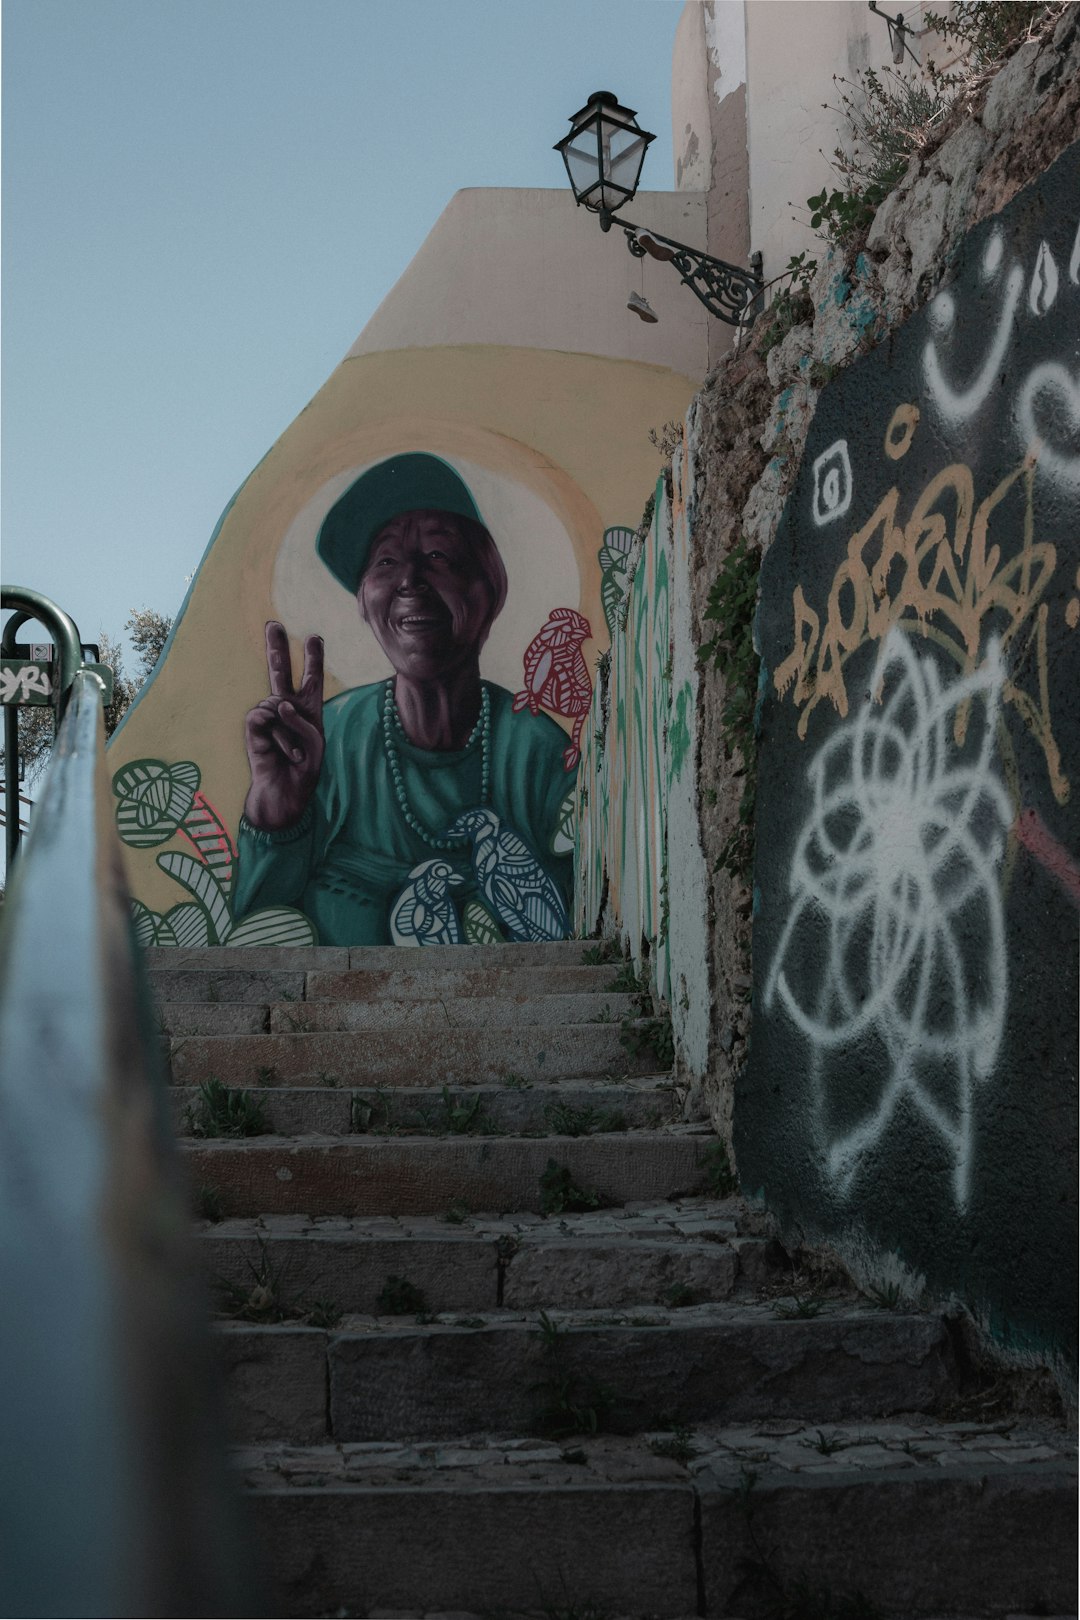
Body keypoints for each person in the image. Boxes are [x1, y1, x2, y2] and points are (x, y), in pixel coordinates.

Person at [233, 453, 575, 946]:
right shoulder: (322, 744)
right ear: (366, 605)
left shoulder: (538, 753)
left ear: (488, 592)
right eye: (386, 562)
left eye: (438, 556)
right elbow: (256, 942)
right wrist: (277, 813)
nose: (410, 581)